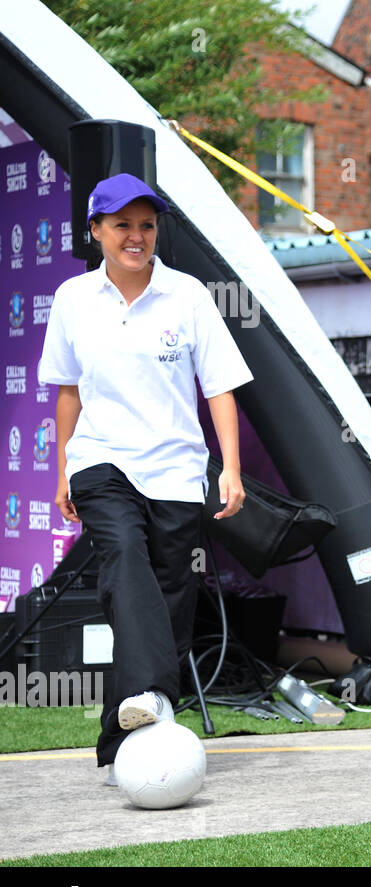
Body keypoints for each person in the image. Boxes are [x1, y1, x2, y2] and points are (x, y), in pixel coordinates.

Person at [37, 172, 253, 781]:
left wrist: (230, 469)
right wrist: (62, 473)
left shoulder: (188, 297)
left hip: (177, 472)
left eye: (147, 225)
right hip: (101, 461)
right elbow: (68, 394)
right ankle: (156, 695)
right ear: (96, 231)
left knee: (169, 602)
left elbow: (220, 389)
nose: (137, 236)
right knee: (125, 558)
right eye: (123, 224)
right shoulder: (74, 299)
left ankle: (119, 736)